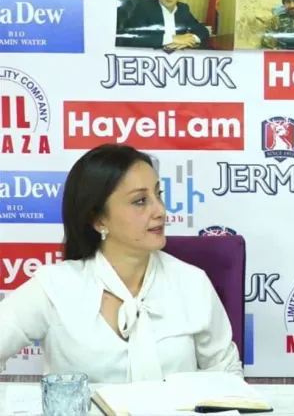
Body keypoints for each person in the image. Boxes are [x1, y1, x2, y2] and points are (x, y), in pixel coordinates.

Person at [0, 144, 242, 383]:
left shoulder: (191, 283)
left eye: (158, 195)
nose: (160, 210)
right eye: (140, 201)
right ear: (98, 220)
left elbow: (228, 376)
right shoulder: (55, 287)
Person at [117, 0, 210, 51]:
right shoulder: (145, 8)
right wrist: (171, 39)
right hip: (153, 56)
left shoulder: (183, 9)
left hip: (178, 54)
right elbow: (131, 37)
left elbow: (203, 31)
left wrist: (188, 40)